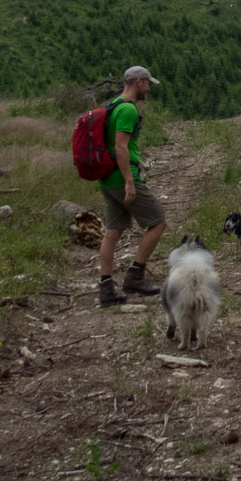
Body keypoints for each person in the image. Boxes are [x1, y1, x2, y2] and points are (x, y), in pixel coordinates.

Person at [96, 65, 168, 306]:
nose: (149, 88)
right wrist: (129, 181)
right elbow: (120, 146)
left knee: (113, 231)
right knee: (158, 222)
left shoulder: (113, 105)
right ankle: (135, 276)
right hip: (123, 177)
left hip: (107, 178)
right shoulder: (127, 109)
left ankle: (106, 288)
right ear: (138, 82)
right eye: (148, 83)